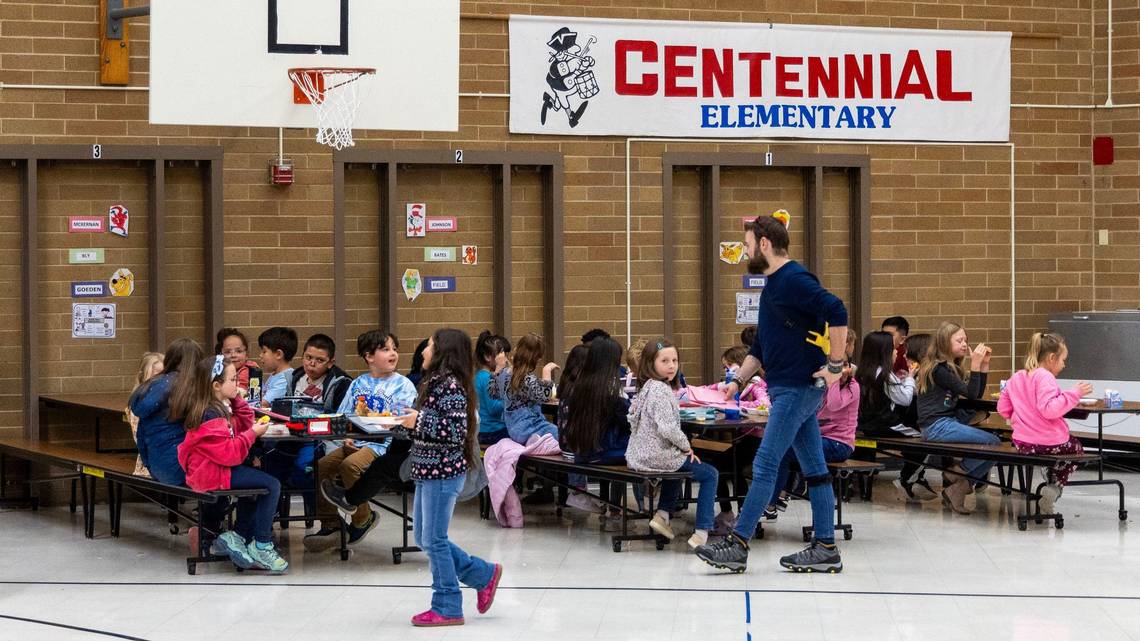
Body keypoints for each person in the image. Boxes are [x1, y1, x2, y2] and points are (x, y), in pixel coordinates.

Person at [695, 212, 848, 575]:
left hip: (797, 388)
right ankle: (826, 547)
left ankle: (738, 543)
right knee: (816, 470)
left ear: (764, 244)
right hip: (787, 389)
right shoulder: (772, 286)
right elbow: (762, 346)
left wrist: (836, 365)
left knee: (765, 464)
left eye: (748, 245)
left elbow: (837, 309)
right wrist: (737, 382)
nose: (746, 251)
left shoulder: (793, 278)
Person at [399, 329, 503, 627]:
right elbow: (435, 425)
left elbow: (456, 432)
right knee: (423, 537)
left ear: (443, 351)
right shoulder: (434, 383)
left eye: (429, 346)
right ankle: (482, 574)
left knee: (434, 539)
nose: (423, 352)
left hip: (443, 473)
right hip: (428, 470)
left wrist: (418, 420)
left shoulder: (451, 386)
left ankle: (447, 604)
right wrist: (412, 420)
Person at [306, 329, 417, 551]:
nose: (393, 353)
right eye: (386, 349)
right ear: (369, 356)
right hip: (355, 443)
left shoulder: (403, 385)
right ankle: (332, 526)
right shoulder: (357, 384)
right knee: (320, 468)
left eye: (394, 349)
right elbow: (344, 415)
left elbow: (401, 422)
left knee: (350, 466)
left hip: (382, 446)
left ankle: (363, 519)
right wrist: (346, 437)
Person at [175, 355, 287, 573]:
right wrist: (252, 434)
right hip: (212, 474)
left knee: (256, 482)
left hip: (217, 469)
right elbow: (231, 455)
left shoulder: (217, 407)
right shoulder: (209, 416)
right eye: (233, 380)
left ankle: (237, 536)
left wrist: (236, 399)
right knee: (272, 485)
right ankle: (262, 544)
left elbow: (245, 419)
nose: (238, 384)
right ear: (216, 385)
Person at [626, 338, 719, 549]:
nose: (671, 365)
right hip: (655, 456)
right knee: (710, 474)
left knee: (678, 463)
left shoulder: (649, 386)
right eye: (664, 361)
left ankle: (663, 515)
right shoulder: (661, 391)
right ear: (651, 363)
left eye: (675, 360)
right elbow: (668, 429)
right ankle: (702, 532)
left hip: (639, 455)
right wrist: (687, 447)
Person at [998, 332, 1092, 514]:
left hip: (1023, 443)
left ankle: (1050, 481)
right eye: (1063, 360)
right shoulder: (1045, 377)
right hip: (1049, 442)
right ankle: (1054, 487)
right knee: (1076, 449)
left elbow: (1003, 409)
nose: (1064, 365)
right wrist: (1074, 393)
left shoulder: (1016, 377)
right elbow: (1050, 410)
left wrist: (1021, 414)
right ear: (1051, 358)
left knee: (1054, 456)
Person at [766, 339, 858, 520]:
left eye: (844, 364)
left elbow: (833, 405)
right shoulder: (820, 386)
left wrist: (834, 380)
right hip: (823, 437)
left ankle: (774, 499)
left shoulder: (853, 386)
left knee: (786, 451)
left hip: (839, 444)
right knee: (785, 447)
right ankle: (781, 493)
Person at [916, 321, 1000, 514]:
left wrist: (984, 366)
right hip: (936, 426)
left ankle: (958, 487)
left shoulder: (949, 367)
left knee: (996, 446)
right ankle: (957, 474)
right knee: (993, 444)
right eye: (959, 340)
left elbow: (975, 394)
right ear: (945, 343)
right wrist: (976, 364)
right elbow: (971, 394)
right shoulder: (939, 369)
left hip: (946, 423)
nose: (965, 344)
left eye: (966, 340)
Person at [855, 331, 935, 502]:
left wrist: (905, 382)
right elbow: (905, 399)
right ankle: (907, 478)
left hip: (867, 426)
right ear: (883, 352)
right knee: (926, 440)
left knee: (916, 435)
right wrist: (911, 378)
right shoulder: (884, 375)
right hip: (886, 424)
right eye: (892, 349)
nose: (896, 352)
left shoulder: (862, 372)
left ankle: (916, 478)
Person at [560, 337, 631, 523]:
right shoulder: (612, 390)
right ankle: (658, 508)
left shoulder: (578, 387)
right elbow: (629, 421)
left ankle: (615, 506)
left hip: (582, 453)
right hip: (604, 453)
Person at [130, 338, 205, 486]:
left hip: (157, 466)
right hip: (181, 468)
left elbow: (141, 434)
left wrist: (149, 465)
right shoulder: (192, 388)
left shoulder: (150, 385)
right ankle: (216, 509)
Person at [490, 333, 559, 445]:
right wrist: (547, 371)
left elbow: (493, 393)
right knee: (561, 435)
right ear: (537, 358)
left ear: (517, 349)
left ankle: (535, 442)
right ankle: (536, 442)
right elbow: (545, 396)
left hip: (513, 429)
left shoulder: (505, 373)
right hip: (533, 426)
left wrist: (497, 369)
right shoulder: (528, 379)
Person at [126, 352, 164, 477]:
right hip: (149, 465)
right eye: (157, 374)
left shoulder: (166, 398)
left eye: (165, 374)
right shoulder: (139, 402)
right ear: (144, 376)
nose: (162, 379)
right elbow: (141, 439)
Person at [474, 331, 512, 446]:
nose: (505, 359)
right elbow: (494, 409)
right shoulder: (486, 378)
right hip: (491, 432)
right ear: (487, 357)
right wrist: (510, 396)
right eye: (502, 355)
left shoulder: (482, 375)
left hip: (489, 430)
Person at [215, 328, 261, 397]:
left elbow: (239, 392)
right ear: (221, 355)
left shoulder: (249, 369)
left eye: (239, 351)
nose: (233, 355)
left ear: (247, 355)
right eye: (228, 352)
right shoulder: (218, 369)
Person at [257, 327, 297, 405]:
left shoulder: (285, 379)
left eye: (264, 351)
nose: (260, 355)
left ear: (278, 354)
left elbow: (264, 404)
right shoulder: (275, 374)